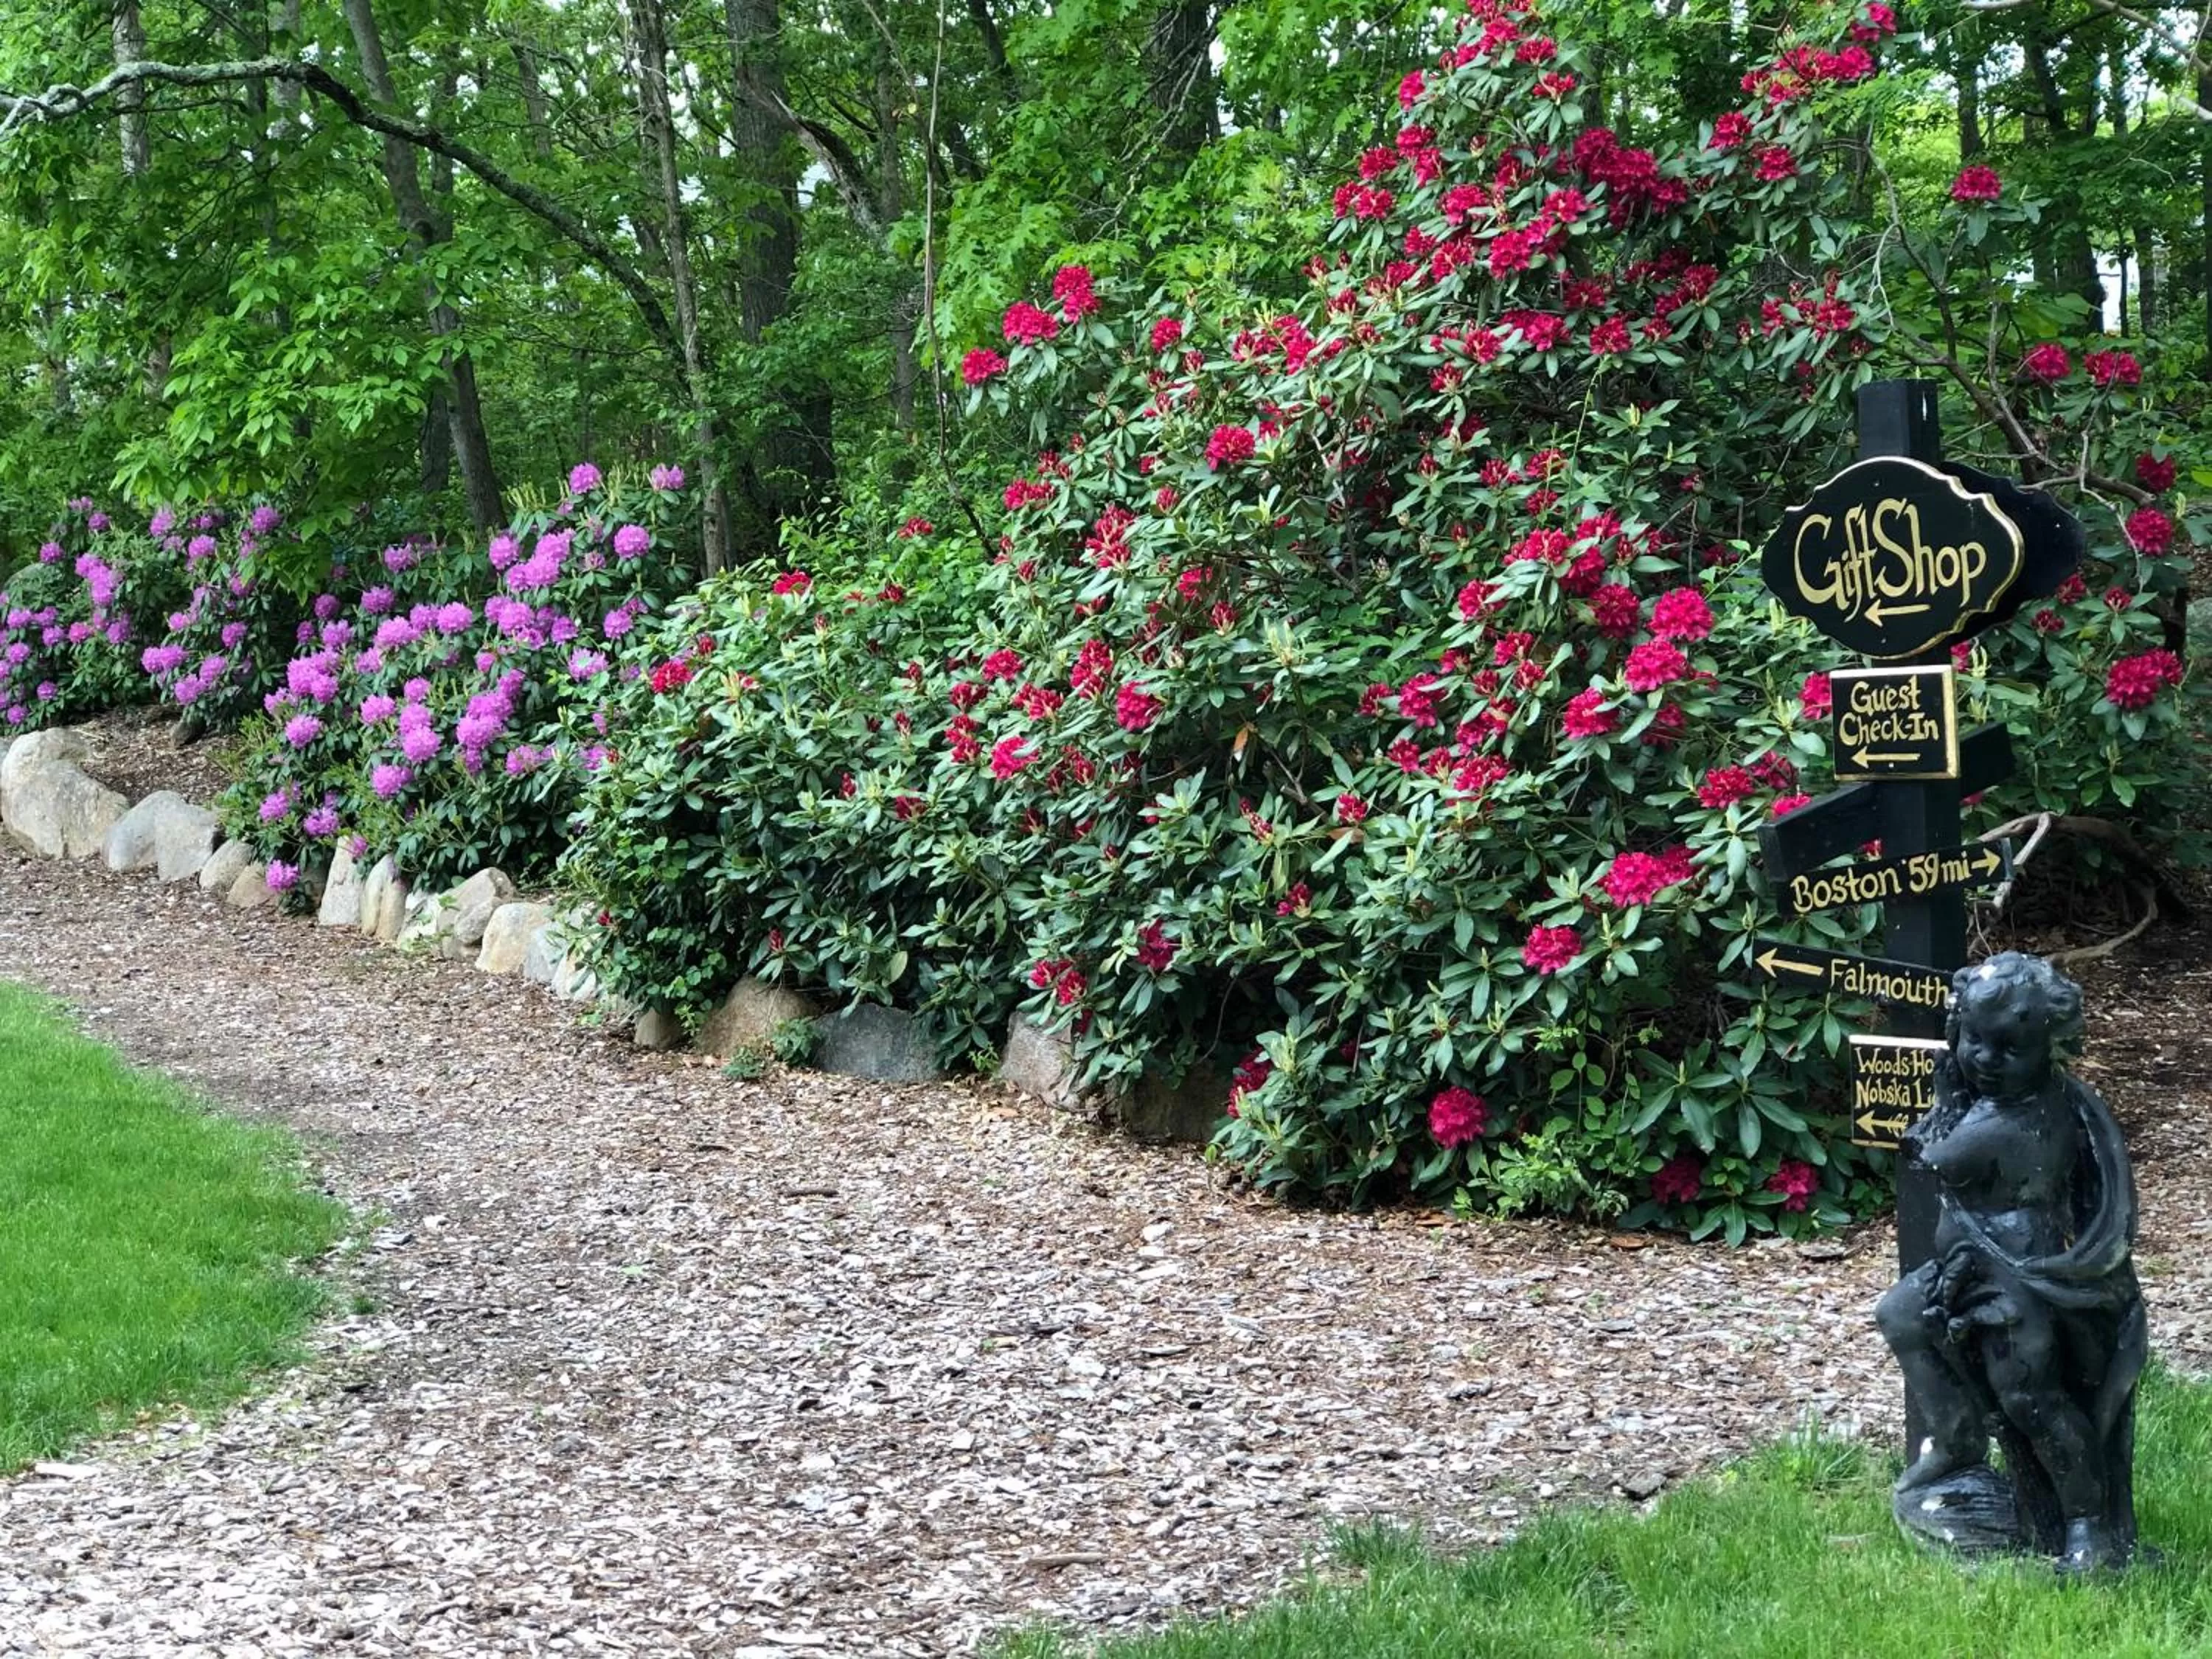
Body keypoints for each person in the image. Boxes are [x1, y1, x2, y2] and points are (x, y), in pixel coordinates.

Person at [1874, 952, 2146, 1571]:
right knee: (1902, 1314)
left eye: (2009, 1048)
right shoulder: (2034, 1098)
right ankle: (1956, 1444)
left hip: (2017, 1279)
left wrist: (1945, 1092)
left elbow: (1935, 1155)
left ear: (2048, 1046)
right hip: (1973, 1267)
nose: (1985, 1061)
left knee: (2031, 1400)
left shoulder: (2012, 1117)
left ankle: (2086, 1523)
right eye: (1973, 1040)